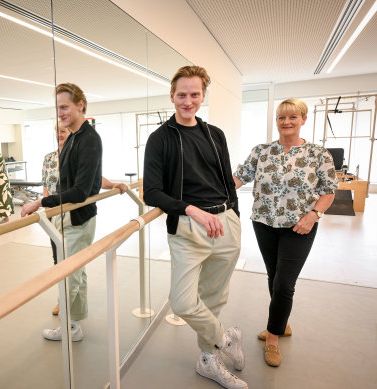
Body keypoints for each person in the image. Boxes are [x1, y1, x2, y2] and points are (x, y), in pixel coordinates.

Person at [143, 66, 247, 389]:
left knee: (214, 296)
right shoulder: (159, 139)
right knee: (184, 301)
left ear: (203, 96)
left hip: (225, 224)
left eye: (194, 94)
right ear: (172, 95)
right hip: (189, 226)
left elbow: (227, 181)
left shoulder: (215, 134)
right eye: (181, 95)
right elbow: (152, 192)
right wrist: (192, 211)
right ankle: (224, 339)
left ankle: (207, 359)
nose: (188, 101)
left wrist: (235, 217)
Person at [233, 98, 338, 367]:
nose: (286, 122)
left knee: (284, 283)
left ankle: (272, 337)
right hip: (264, 223)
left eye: (293, 116)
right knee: (274, 276)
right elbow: (239, 177)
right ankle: (283, 323)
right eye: (281, 117)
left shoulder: (318, 154)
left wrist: (314, 215)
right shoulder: (262, 151)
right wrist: (202, 193)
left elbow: (328, 191)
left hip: (300, 226)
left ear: (303, 119)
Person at [21, 83, 102, 342]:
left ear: (81, 104)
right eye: (58, 108)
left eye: (64, 107)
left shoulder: (89, 139)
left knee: (68, 274)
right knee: (75, 271)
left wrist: (42, 203)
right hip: (69, 214)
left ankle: (69, 326)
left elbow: (81, 190)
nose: (61, 113)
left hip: (77, 215)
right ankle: (75, 323)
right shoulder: (73, 137)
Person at [42, 123, 128, 316]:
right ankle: (75, 314)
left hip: (74, 212)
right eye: (58, 132)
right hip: (55, 214)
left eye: (64, 131)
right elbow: (46, 185)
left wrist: (113, 184)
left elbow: (92, 178)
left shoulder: (79, 150)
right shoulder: (49, 158)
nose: (61, 135)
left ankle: (66, 311)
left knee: (73, 266)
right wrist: (46, 209)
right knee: (60, 262)